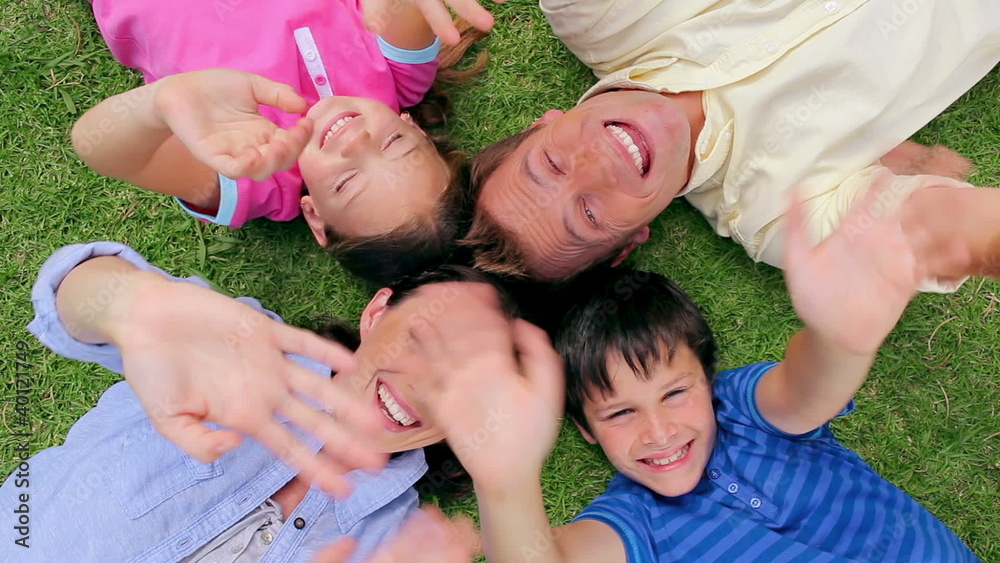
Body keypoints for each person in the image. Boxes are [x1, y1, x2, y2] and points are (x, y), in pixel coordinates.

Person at [417, 184, 981, 560]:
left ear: (708, 382)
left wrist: (841, 339)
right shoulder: (634, 521)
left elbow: (808, 391)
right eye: (620, 412)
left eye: (675, 393)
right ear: (585, 429)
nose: (659, 432)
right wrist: (505, 483)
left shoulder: (744, 411)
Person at [0, 241, 516, 561]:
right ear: (378, 313)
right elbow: (72, 294)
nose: (426, 387)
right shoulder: (243, 343)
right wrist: (131, 305)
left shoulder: (397, 545)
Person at [462, 0, 1000, 290]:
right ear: (629, 242)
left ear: (544, 123)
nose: (597, 167)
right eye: (588, 214)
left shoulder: (595, 12)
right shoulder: (778, 219)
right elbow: (946, 229)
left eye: (552, 164)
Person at [72, 0, 497, 284]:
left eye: (347, 182)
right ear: (416, 128)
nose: (355, 141)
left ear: (315, 216)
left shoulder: (252, 176)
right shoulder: (401, 77)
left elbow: (99, 148)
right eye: (394, 145)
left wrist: (161, 102)